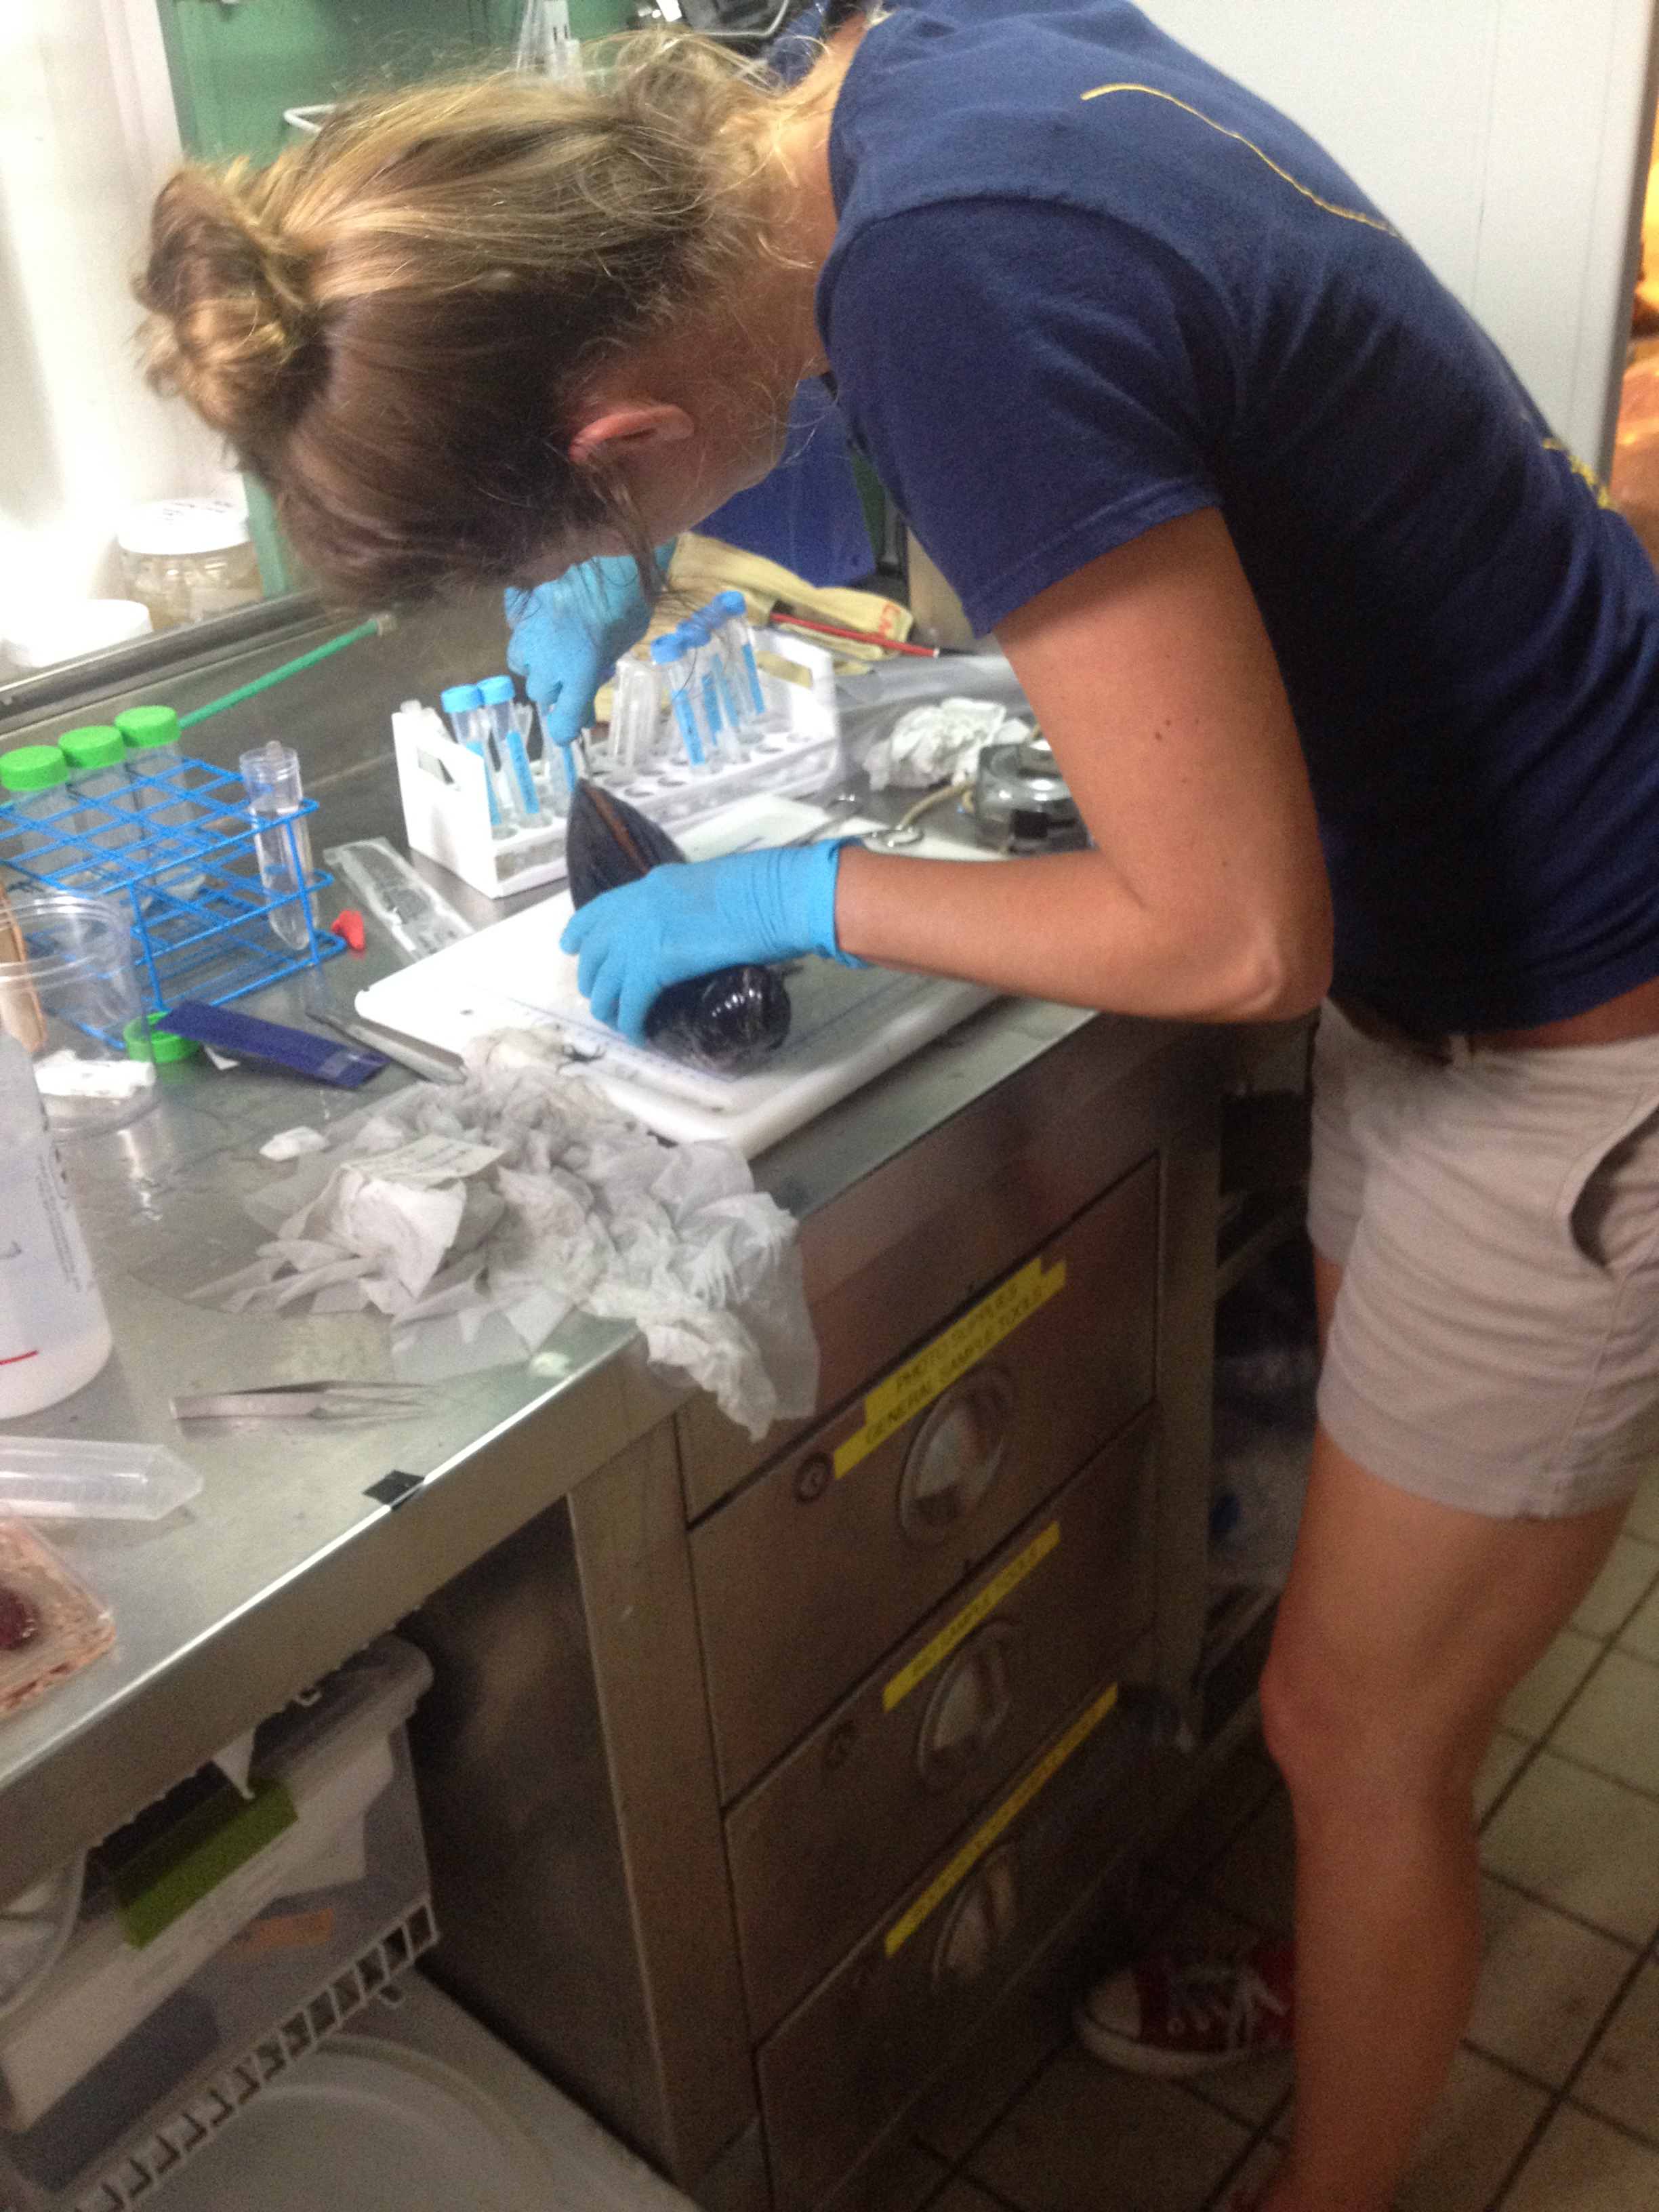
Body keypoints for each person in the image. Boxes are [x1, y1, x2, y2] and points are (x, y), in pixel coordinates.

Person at [136, 5, 1659, 2207]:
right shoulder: (911, 75)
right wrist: (632, 546)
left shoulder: (950, 287)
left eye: (606, 516)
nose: (642, 541)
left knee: (1354, 1724)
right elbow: (999, 360)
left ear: (628, 424)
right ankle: (1351, 1952)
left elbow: (1238, 936)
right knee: (1362, 1667)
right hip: (1457, 943)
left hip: (1585, 1040)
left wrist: (797, 887)